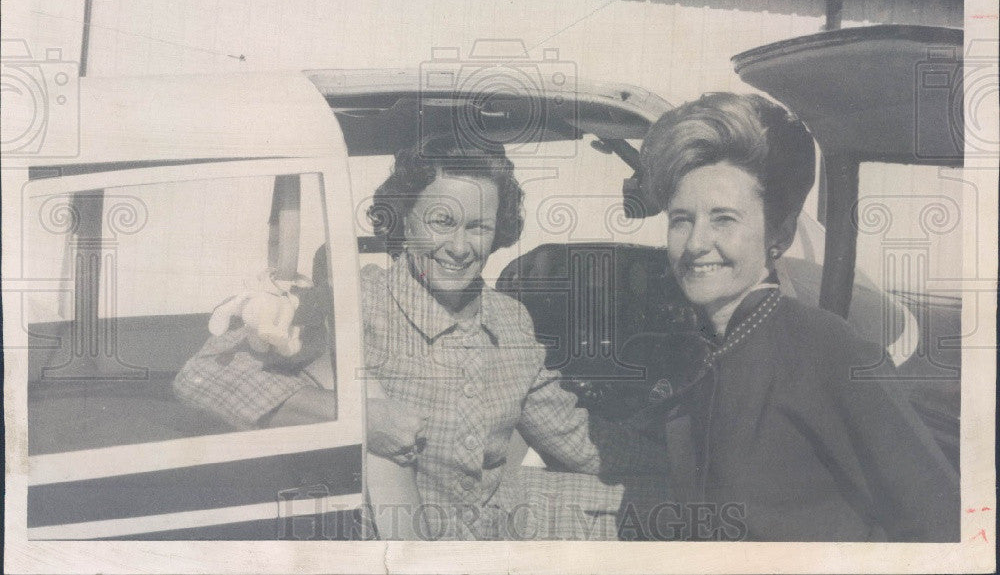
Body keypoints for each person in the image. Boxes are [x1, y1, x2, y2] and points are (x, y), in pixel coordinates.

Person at [174, 138, 626, 540]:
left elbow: (577, 442)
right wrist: (357, 414)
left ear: (498, 232)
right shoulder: (358, 302)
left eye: (478, 227)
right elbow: (202, 377)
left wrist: (672, 461)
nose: (460, 247)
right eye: (442, 222)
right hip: (397, 543)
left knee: (638, 510)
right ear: (405, 220)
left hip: (494, 531)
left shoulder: (510, 321)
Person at [607, 92, 959, 541]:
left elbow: (942, 522)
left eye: (724, 219)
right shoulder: (702, 351)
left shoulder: (834, 352)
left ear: (779, 234)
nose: (696, 243)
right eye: (681, 220)